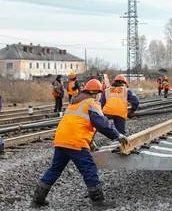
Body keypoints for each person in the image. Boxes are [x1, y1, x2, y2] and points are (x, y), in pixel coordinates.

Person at [31, 79, 128, 208]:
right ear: (95, 93)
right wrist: (118, 135)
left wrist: (91, 142)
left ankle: (37, 200)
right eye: (99, 93)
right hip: (76, 142)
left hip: (61, 140)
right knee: (89, 169)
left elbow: (79, 124)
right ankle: (98, 202)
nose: (100, 96)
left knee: (54, 169)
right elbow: (102, 124)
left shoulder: (74, 103)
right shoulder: (91, 103)